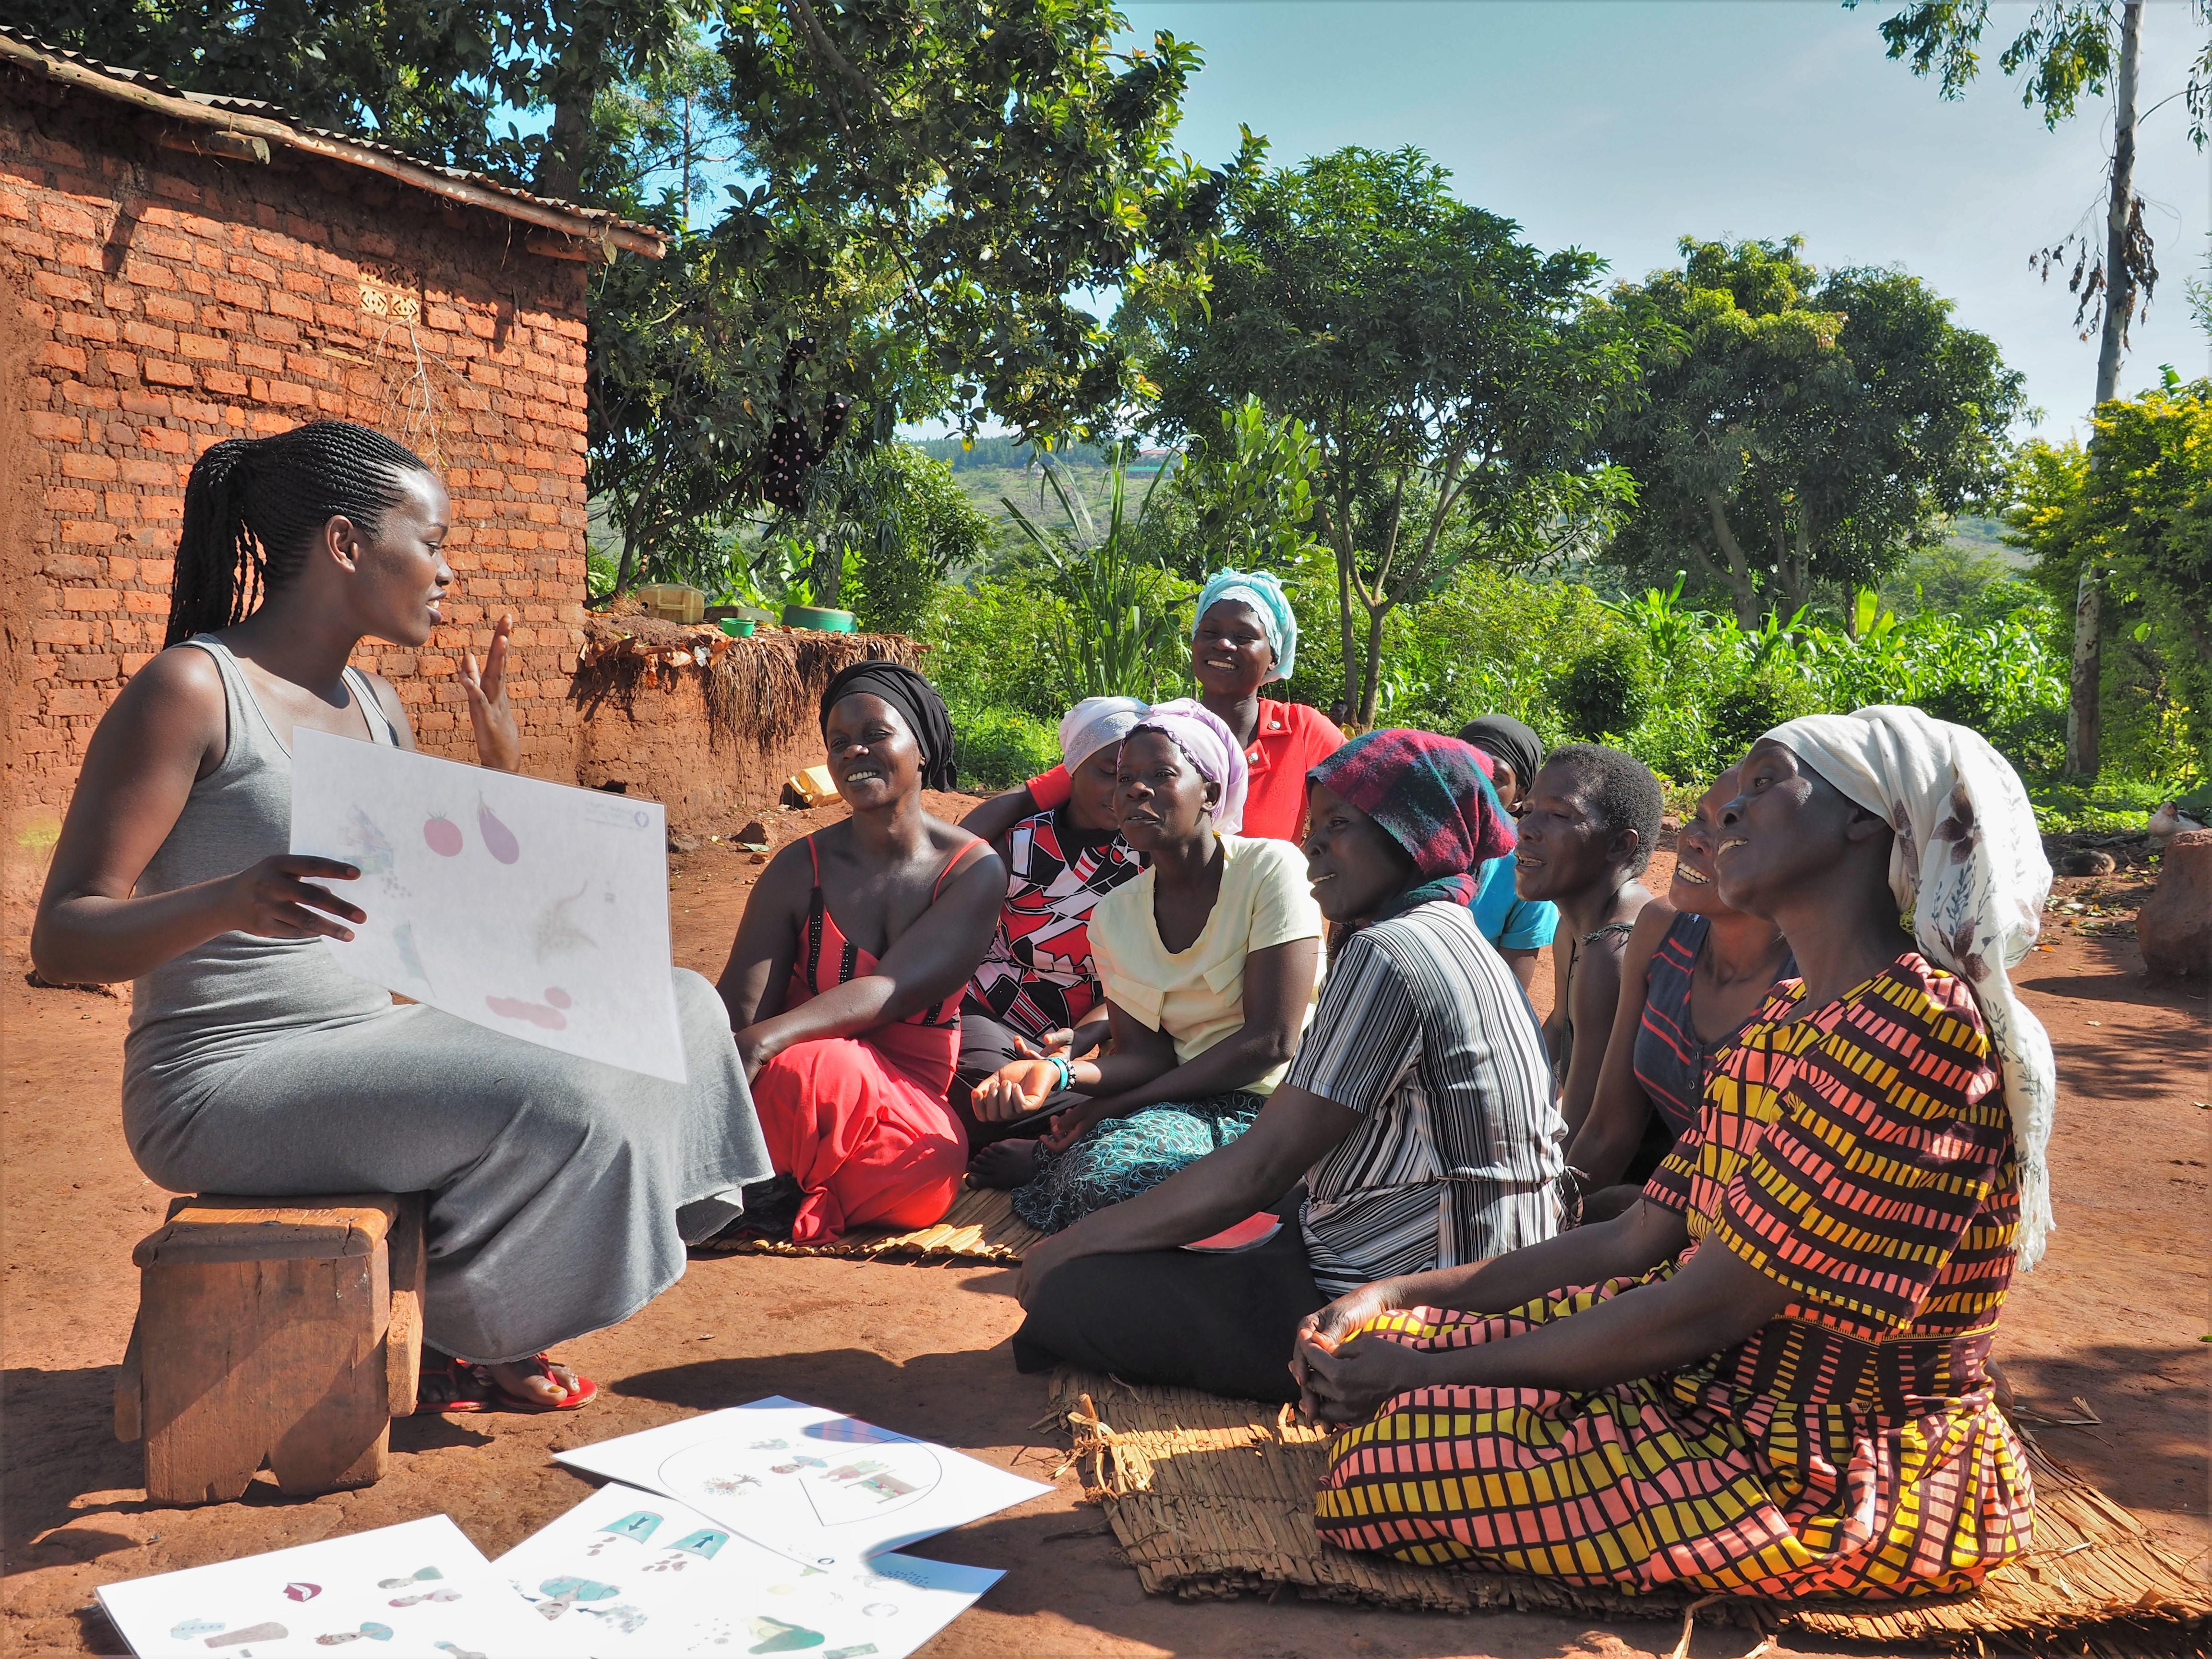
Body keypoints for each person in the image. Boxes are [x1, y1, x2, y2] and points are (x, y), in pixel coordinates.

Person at [30, 421, 773, 1413]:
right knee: (567, 1095)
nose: (447, 571)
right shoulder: (194, 690)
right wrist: (228, 899)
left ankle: (474, 1298)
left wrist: (500, 776)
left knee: (674, 1006)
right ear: (345, 543)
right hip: (223, 1079)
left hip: (368, 1040)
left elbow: (430, 915)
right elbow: (63, 935)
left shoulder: (375, 703)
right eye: (430, 542)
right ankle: (470, 1321)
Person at [1294, 706, 2051, 1603]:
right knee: (1382, 1351)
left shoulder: (1911, 1032)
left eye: (1765, 783)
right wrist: (1395, 1296)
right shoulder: (1789, 1018)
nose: (1725, 808)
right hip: (1710, 1386)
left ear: (1864, 821)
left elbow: (1704, 1308)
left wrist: (1427, 1376)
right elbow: (1634, 1238)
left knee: (1387, 1469)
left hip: (1818, 1452)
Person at [1008, 730, 1563, 1401]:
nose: (1314, 845)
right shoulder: (1451, 935)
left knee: (1074, 1291)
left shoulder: (1391, 951)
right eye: (1313, 827)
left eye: (1339, 825)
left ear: (1411, 835)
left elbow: (1263, 1163)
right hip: (1473, 1267)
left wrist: (1072, 1243)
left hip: (1407, 1296)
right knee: (1172, 1235)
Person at [967, 701, 1323, 1230]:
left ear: (1210, 793)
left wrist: (1118, 1105)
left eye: (1161, 774)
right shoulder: (1116, 914)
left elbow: (1271, 1042)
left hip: (1278, 1104)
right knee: (1105, 1175)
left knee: (1122, 1176)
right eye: (1125, 778)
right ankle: (1071, 1161)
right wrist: (1057, 1071)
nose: (1136, 789)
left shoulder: (1270, 869)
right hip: (1179, 1100)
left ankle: (1054, 1162)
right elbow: (1145, 1056)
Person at [716, 662, 1005, 1245]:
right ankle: (782, 1182)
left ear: (922, 749)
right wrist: (731, 1057)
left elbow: (892, 990)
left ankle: (777, 1188)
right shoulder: (799, 868)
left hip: (903, 1102)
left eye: (876, 735)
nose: (854, 751)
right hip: (799, 1096)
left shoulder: (972, 870)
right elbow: (740, 1014)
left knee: (922, 1164)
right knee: (808, 1070)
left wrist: (764, 1043)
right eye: (839, 742)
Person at [1563, 765, 1797, 1218]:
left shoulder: (1809, 984)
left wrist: (1642, 1215)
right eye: (1698, 816)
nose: (1694, 839)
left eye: (1728, 827)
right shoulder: (1662, 930)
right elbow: (1609, 1130)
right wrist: (1548, 1216)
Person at [963, 570, 1344, 846]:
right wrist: (951, 861)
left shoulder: (1302, 731)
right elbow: (1036, 794)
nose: (1224, 645)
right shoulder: (1155, 731)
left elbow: (1364, 798)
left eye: (1244, 636)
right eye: (1210, 632)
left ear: (1274, 655)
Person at [955, 697, 1149, 1147]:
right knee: (992, 1083)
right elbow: (950, 860)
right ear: (1072, 769)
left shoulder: (1146, 859)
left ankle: (1053, 1135)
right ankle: (1063, 1135)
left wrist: (1077, 1043)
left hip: (1071, 1041)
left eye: (1134, 778)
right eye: (1108, 772)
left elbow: (1130, 985)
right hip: (985, 1012)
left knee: (1097, 1100)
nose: (1121, 790)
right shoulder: (1019, 843)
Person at [1512, 745, 1663, 1135]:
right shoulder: (1574, 927)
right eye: (1527, 810)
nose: (1526, 828)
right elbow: (1561, 1024)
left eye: (1560, 815)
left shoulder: (1614, 950)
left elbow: (1584, 1127)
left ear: (1619, 845)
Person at [1455, 714, 1557, 991]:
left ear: (1519, 797)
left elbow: (1509, 993)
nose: (1475, 782)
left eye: (1496, 776)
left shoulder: (1527, 871)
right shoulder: (1399, 844)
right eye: (1465, 764)